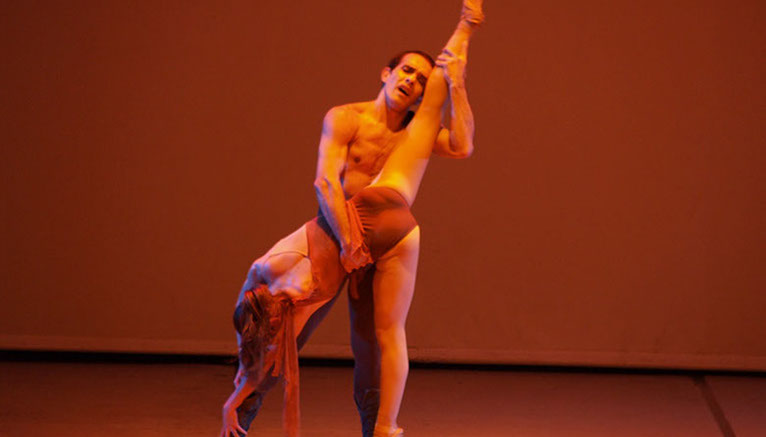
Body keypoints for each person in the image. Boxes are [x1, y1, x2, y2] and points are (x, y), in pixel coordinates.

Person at [220, 2, 484, 436]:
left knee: (372, 345)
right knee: (282, 326)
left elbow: (462, 144)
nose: (412, 81)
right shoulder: (346, 118)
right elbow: (325, 183)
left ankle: (377, 428)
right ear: (386, 74)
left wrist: (456, 85)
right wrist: (347, 242)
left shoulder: (413, 134)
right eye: (406, 71)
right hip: (336, 234)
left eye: (421, 79)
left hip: (379, 241)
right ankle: (240, 413)